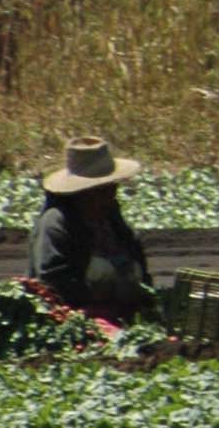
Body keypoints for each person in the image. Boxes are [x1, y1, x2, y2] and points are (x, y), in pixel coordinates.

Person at [29, 136, 153, 322]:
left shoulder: (112, 216)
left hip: (120, 313)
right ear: (82, 191)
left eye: (111, 187)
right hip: (75, 318)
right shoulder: (55, 222)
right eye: (101, 189)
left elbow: (138, 263)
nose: (111, 193)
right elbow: (52, 284)